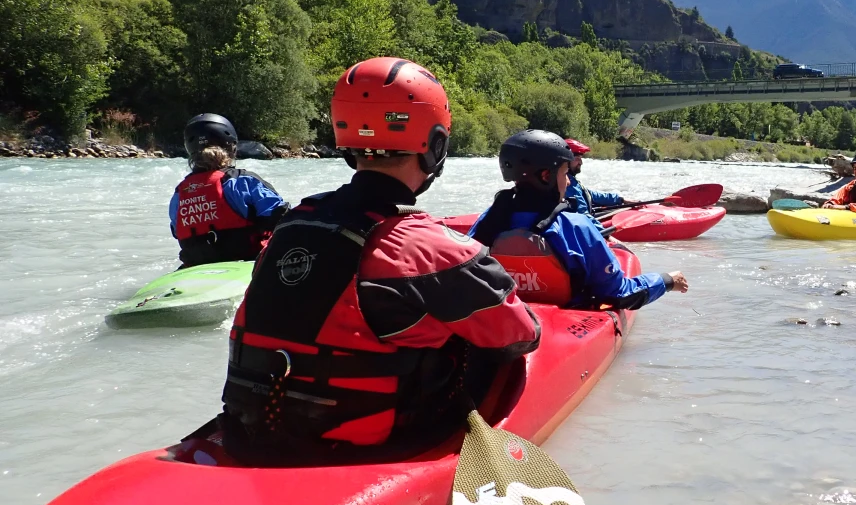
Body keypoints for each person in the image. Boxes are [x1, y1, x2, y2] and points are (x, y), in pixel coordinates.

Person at [218, 57, 541, 466]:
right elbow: (520, 336)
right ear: (437, 145)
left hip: (253, 429)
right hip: (369, 448)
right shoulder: (432, 249)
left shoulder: (293, 223)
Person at [470, 129, 689, 309]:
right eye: (565, 173)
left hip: (509, 314)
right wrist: (667, 280)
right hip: (565, 321)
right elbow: (620, 294)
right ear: (547, 176)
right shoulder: (576, 227)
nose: (567, 181)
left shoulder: (490, 220)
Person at [169, 114, 288, 266]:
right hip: (248, 262)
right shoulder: (244, 182)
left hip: (194, 266)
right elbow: (282, 217)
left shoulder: (180, 193)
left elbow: (176, 231)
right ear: (231, 146)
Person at [563, 138, 624, 215]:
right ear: (566, 161)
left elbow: (590, 194)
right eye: (577, 158)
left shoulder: (571, 181)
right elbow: (583, 216)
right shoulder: (568, 185)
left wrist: (620, 199)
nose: (581, 162)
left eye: (581, 158)